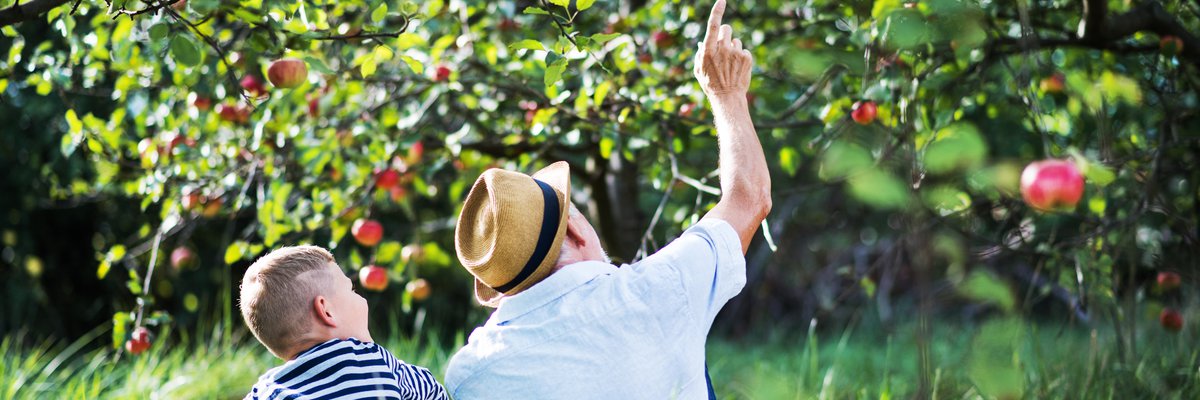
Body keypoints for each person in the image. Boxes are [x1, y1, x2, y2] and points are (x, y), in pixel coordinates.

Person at [444, 0, 771, 397]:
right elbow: (749, 197)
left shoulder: (469, 375)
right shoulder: (658, 291)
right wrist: (727, 92)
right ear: (577, 231)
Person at [239, 245, 449, 399]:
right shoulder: (373, 361)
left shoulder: (266, 390)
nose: (362, 298)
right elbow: (432, 391)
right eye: (352, 290)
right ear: (326, 311)